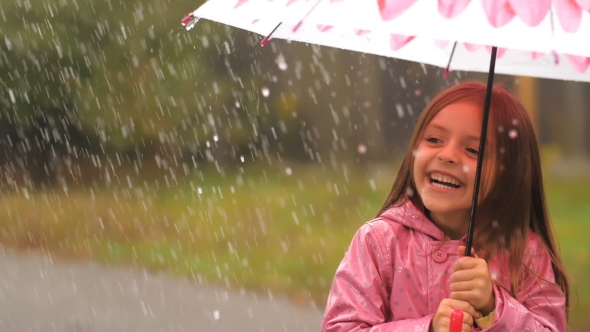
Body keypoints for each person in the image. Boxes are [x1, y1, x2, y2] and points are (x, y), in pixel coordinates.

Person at [321, 81, 569, 332]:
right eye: (434, 139)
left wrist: (494, 307)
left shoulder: (524, 252)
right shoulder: (379, 242)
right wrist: (426, 328)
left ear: (510, 174)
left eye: (473, 150)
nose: (447, 154)